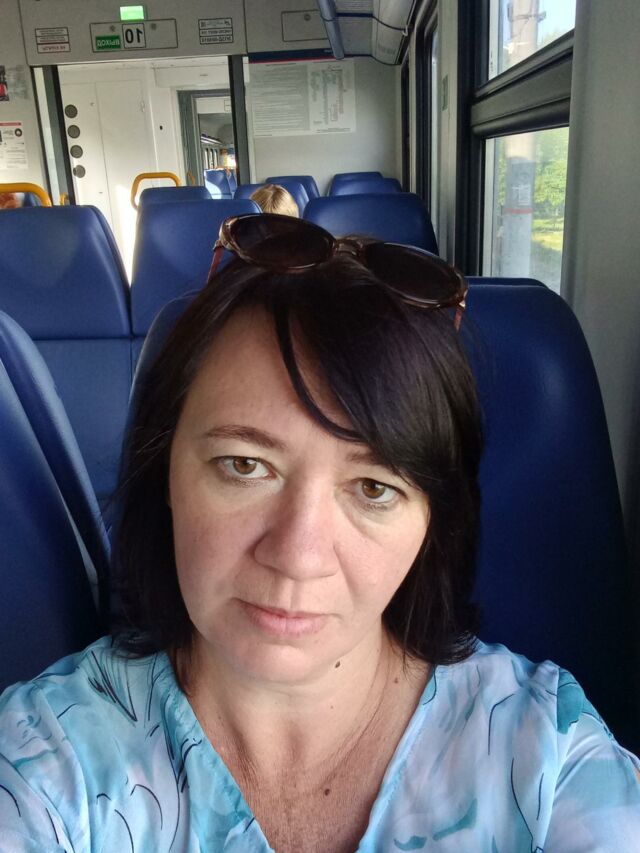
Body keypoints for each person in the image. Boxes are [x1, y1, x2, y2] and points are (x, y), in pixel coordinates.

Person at [0, 214, 639, 851]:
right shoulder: (43, 764)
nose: (298, 557)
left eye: (373, 489)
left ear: (431, 524)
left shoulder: (549, 760)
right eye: (244, 466)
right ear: (164, 471)